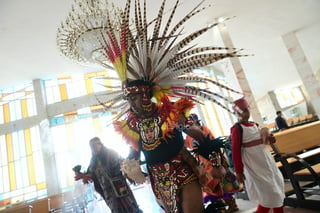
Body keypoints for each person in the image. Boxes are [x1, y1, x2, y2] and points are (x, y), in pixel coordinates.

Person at [230, 97, 285, 213]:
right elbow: (235, 151)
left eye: (247, 110)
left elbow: (265, 141)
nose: (247, 113)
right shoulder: (237, 128)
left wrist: (270, 138)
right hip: (253, 163)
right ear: (237, 113)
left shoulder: (254, 124)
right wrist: (239, 171)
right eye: (244, 111)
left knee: (276, 187)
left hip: (266, 160)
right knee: (269, 191)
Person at [185, 113, 240, 213]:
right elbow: (189, 148)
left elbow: (213, 142)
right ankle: (221, 206)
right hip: (204, 164)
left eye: (192, 122)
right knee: (212, 187)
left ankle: (232, 204)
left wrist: (217, 160)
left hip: (215, 160)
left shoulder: (204, 129)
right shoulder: (188, 137)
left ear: (196, 121)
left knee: (223, 183)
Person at [87, 137, 141, 213]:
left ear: (100, 144)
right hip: (108, 192)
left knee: (130, 207)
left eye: (95, 145)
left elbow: (123, 163)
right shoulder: (93, 161)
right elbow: (91, 174)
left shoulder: (111, 153)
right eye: (91, 147)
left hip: (120, 186)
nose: (94, 148)